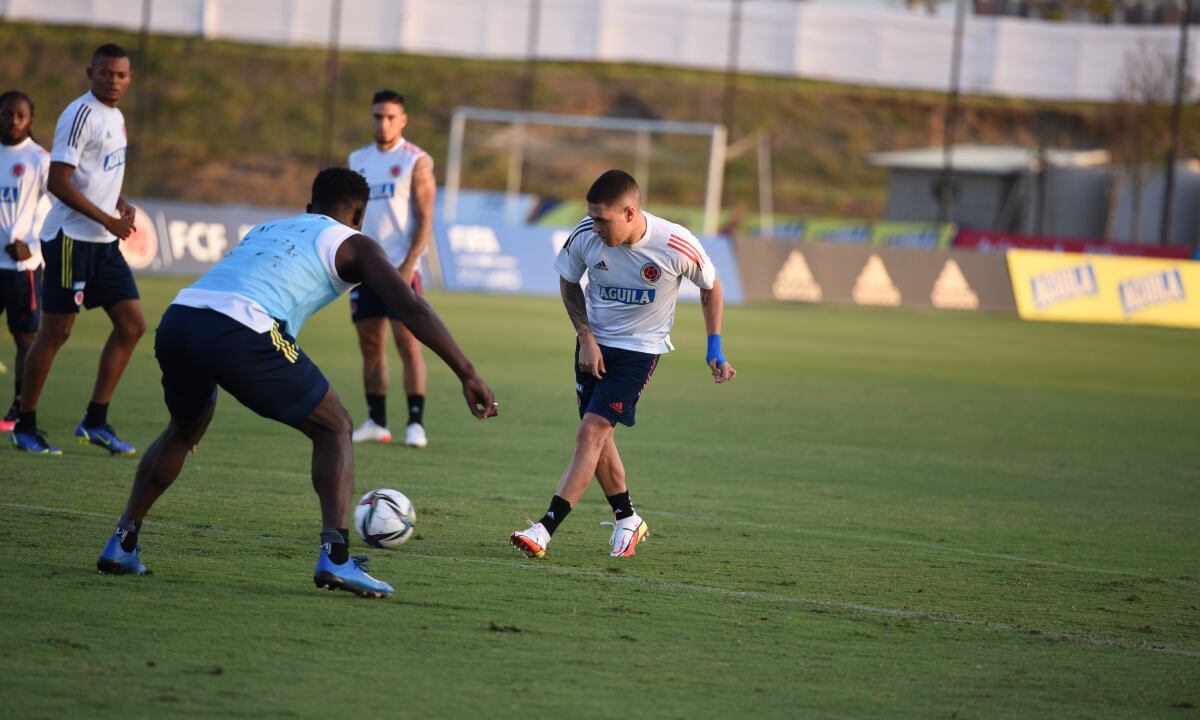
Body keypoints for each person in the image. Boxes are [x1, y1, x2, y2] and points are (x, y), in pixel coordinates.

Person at [95, 167, 499, 599]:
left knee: (184, 428)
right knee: (335, 426)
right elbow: (410, 304)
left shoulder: (268, 227)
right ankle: (336, 558)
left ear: (309, 208)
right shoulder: (355, 243)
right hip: (243, 327)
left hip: (181, 317)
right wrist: (467, 372)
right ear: (359, 214)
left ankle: (122, 543)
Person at [510, 170, 737, 559]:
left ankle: (544, 530)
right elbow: (568, 281)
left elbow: (710, 285)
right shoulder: (585, 235)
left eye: (603, 219)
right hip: (593, 345)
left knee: (591, 434)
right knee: (599, 438)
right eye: (592, 217)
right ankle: (627, 518)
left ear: (630, 213)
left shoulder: (676, 244)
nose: (594, 226)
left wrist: (714, 344)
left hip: (639, 350)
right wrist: (585, 337)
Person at [11, 43, 145, 455]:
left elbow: (99, 173)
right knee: (56, 332)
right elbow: (59, 181)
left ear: (129, 77)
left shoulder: (117, 116)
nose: (115, 80)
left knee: (132, 326)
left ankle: (95, 421)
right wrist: (107, 219)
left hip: (103, 242)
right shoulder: (80, 113)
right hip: (70, 240)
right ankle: (25, 425)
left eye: (122, 74)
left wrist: (117, 204)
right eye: (106, 73)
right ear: (91, 73)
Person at [346, 90, 436, 448]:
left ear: (403, 120)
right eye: (377, 116)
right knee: (370, 344)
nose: (382, 123)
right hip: (364, 267)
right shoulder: (357, 159)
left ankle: (415, 423)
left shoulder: (417, 160)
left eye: (389, 117)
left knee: (408, 343)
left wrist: (410, 263)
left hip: (401, 266)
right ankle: (376, 421)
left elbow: (425, 218)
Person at [0, 91, 50, 433]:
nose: (13, 121)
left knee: (25, 339)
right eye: (7, 114)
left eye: (20, 115)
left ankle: (21, 406)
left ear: (30, 119)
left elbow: (58, 207)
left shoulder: (40, 160)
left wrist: (31, 247)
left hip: (22, 269)